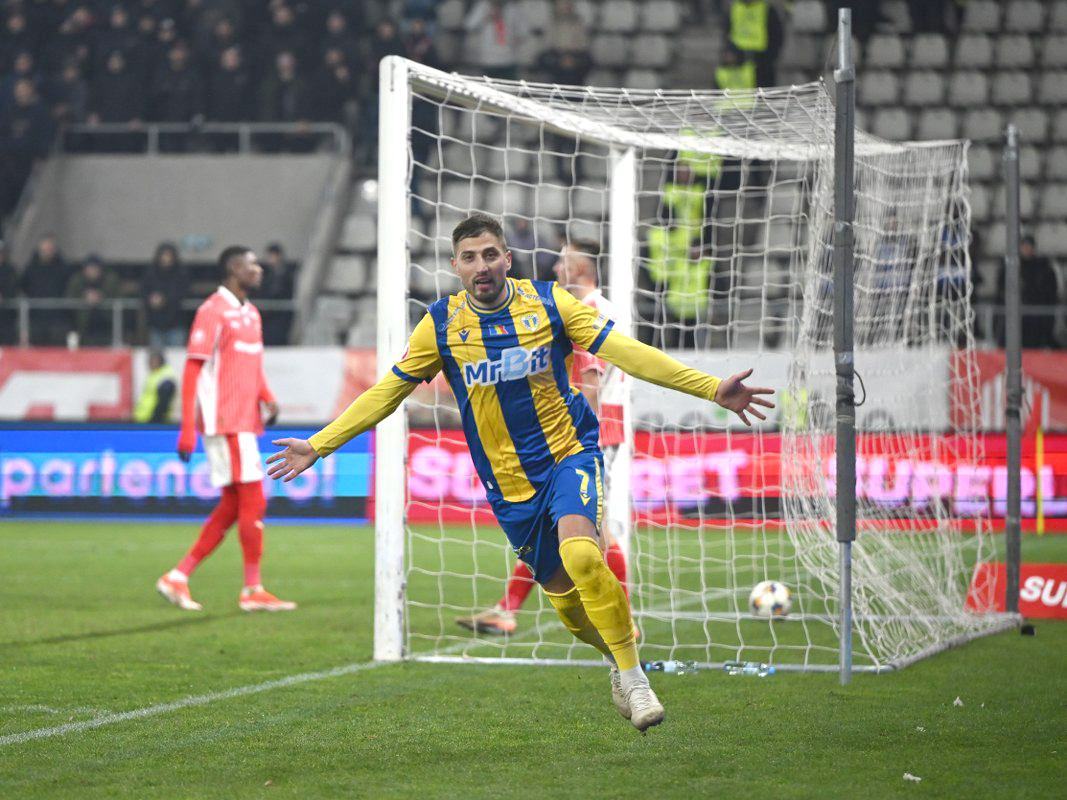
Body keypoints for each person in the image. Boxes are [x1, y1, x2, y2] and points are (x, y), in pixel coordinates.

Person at [267, 214, 773, 731]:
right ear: (455, 266)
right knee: (570, 610)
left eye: (490, 254)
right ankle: (616, 661)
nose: (481, 266)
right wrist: (319, 444)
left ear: (507, 259)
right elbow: (386, 393)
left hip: (569, 454)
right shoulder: (440, 325)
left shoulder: (551, 303)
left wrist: (712, 388)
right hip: (509, 485)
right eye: (470, 257)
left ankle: (634, 677)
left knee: (584, 554)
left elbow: (628, 353)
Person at [454, 238, 633, 636]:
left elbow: (590, 378)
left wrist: (577, 434)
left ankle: (625, 621)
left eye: (564, 261)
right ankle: (507, 609)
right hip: (592, 430)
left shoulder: (589, 310)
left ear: (581, 268)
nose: (555, 269)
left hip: (584, 434)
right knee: (559, 528)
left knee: (593, 532)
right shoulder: (601, 308)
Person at [156, 246, 295, 613]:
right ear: (234, 268)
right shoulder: (212, 310)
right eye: (252, 264)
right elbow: (193, 368)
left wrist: (267, 396)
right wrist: (187, 427)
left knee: (234, 504)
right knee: (254, 499)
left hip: (246, 419)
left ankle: (178, 576)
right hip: (224, 419)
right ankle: (252, 590)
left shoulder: (252, 314)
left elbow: (253, 365)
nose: (259, 269)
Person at [995, 235, 1061, 349]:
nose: (1027, 249)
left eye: (1029, 246)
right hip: (1017, 315)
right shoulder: (1010, 267)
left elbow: (1050, 292)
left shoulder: (1043, 268)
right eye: (1025, 246)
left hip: (1036, 317)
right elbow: (1001, 290)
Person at [65, 254, 119, 347]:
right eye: (90, 268)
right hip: (83, 325)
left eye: (95, 268)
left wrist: (101, 297)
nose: (93, 271)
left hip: (106, 325)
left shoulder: (110, 279)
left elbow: (117, 296)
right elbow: (69, 298)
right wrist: (83, 298)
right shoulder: (77, 280)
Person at [133, 348, 178, 423]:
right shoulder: (155, 374)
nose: (150, 362)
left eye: (153, 359)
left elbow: (163, 404)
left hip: (152, 421)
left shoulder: (165, 377)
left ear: (160, 360)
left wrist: (155, 420)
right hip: (144, 419)